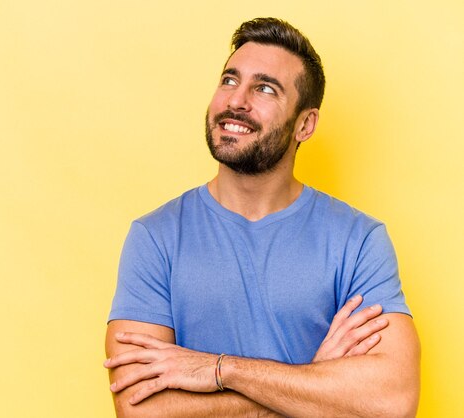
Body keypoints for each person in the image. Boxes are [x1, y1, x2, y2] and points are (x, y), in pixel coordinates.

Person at [104, 17, 420, 418]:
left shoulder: (359, 240)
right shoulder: (155, 237)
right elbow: (141, 410)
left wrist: (220, 370)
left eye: (265, 88)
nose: (236, 100)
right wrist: (310, 382)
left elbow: (392, 403)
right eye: (229, 80)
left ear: (305, 124)